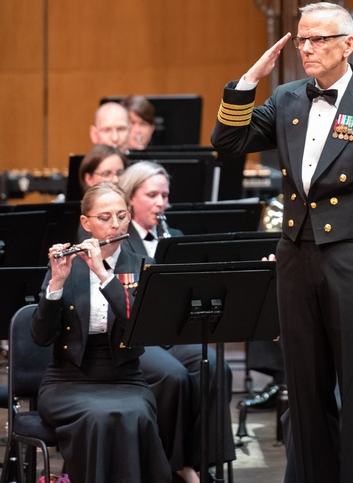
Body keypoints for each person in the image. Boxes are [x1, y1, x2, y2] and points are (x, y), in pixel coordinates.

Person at [211, 1, 353, 482]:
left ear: (349, 43)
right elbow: (228, 142)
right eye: (302, 39)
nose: (307, 48)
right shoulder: (286, 98)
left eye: (319, 38)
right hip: (296, 260)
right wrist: (246, 82)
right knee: (304, 393)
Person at [33, 183, 171, 482]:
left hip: (125, 377)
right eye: (105, 218)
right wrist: (56, 283)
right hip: (67, 380)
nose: (114, 225)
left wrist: (104, 274)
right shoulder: (65, 265)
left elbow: (142, 326)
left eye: (122, 216)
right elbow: (41, 337)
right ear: (86, 223)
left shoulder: (143, 265)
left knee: (137, 414)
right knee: (96, 417)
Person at [117, 160, 234, 481]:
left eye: (165, 196)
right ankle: (173, 464)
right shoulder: (118, 240)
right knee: (174, 377)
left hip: (172, 334)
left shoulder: (175, 236)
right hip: (136, 336)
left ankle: (205, 460)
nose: (160, 203)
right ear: (129, 198)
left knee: (216, 368)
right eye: (152, 194)